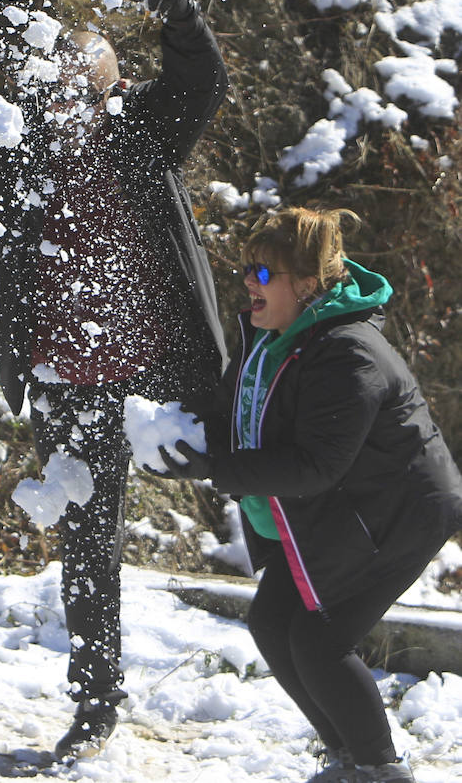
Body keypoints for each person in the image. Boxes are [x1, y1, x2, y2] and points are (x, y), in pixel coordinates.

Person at [0, 0, 228, 763]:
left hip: (168, 372)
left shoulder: (146, 132)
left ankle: (316, 652)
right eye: (55, 89)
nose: (66, 105)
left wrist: (176, 13)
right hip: (70, 378)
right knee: (87, 545)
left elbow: (201, 79)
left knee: (266, 496)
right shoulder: (14, 154)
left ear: (116, 91)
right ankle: (95, 702)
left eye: (86, 88)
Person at [158, 206, 462, 783]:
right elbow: (236, 415)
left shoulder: (346, 352)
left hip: (398, 511)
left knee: (321, 641)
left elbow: (316, 464)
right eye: (248, 268)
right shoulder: (271, 338)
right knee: (274, 625)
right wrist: (179, 438)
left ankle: (379, 770)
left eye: (265, 274)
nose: (250, 281)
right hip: (347, 506)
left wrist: (217, 468)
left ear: (308, 285)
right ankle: (349, 757)